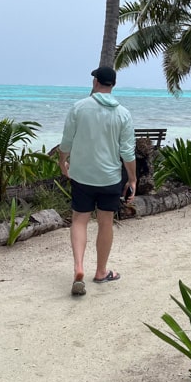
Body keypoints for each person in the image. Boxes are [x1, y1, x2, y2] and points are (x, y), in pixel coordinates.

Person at [58, 66, 137, 296]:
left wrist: (63, 162)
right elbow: (128, 152)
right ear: (112, 85)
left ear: (95, 82)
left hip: (82, 176)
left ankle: (78, 268)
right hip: (110, 177)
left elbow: (66, 142)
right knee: (105, 222)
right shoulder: (123, 114)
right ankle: (101, 271)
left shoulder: (79, 108)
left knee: (80, 221)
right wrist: (132, 178)